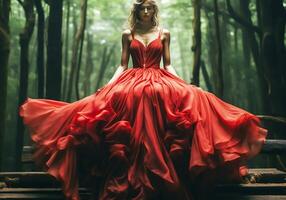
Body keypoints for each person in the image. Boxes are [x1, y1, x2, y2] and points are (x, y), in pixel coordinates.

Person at [20, 0, 267, 199]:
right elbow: (122, 64)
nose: (146, 11)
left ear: (154, 10)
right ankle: (130, 163)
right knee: (123, 96)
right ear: (137, 11)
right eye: (142, 8)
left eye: (150, 8)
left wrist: (183, 83)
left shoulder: (164, 32)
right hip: (134, 75)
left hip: (160, 76)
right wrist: (109, 83)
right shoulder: (128, 33)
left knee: (192, 98)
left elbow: (168, 65)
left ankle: (170, 166)